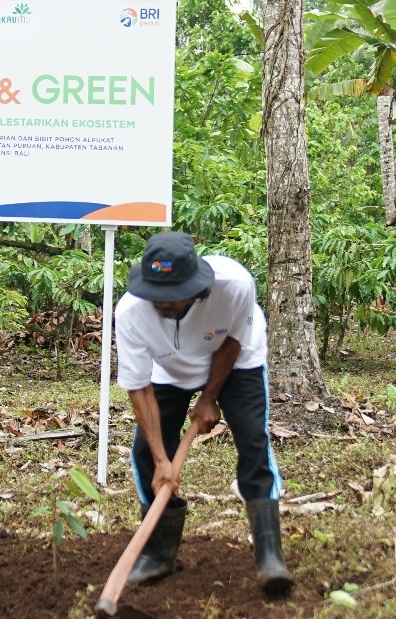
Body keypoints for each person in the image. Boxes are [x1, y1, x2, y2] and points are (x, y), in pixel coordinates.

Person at [113, 231, 292, 595]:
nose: (160, 303)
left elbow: (234, 341)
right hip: (167, 370)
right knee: (146, 454)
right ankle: (159, 553)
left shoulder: (236, 285)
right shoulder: (130, 310)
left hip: (236, 361)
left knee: (253, 441)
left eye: (170, 296)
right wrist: (164, 461)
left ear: (195, 286)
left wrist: (210, 397)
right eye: (154, 294)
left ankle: (270, 555)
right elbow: (139, 389)